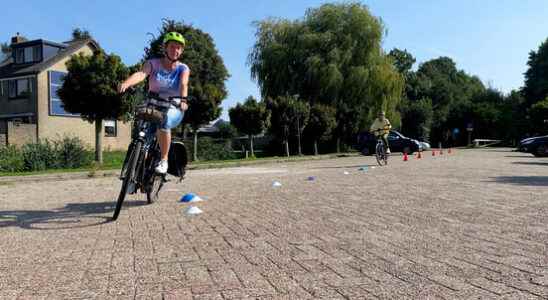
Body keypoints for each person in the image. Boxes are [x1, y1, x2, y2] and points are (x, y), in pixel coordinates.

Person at [118, 32, 190, 174]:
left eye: (179, 48)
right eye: (172, 46)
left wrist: (183, 100)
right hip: (153, 105)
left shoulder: (183, 68)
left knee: (165, 121)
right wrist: (126, 83)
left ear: (181, 51)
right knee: (143, 136)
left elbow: (183, 84)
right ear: (165, 47)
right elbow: (142, 74)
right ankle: (136, 171)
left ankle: (164, 161)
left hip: (173, 107)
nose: (175, 50)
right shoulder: (153, 63)